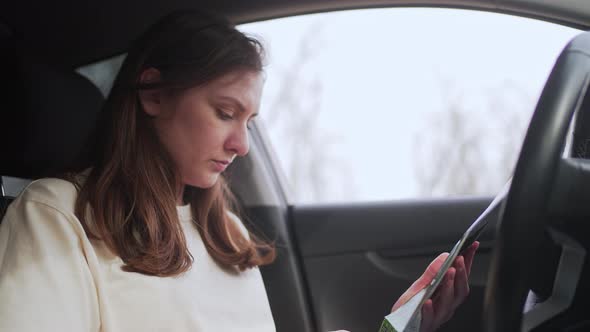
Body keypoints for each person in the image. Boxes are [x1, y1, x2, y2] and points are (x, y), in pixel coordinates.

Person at [0, 10, 478, 332]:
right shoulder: (56, 216)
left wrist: (397, 325)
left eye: (249, 121)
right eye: (225, 113)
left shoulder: (223, 233)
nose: (242, 145)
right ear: (153, 95)